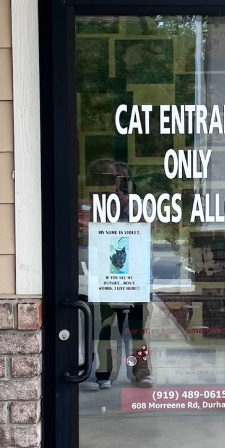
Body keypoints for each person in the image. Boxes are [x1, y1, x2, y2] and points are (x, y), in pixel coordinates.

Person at [81, 159, 153, 390]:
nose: (116, 184)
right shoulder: (87, 205)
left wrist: (126, 204)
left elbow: (151, 228)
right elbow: (83, 234)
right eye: (110, 178)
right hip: (103, 277)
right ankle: (104, 374)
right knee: (104, 327)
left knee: (137, 329)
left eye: (121, 179)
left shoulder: (135, 203)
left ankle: (140, 371)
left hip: (135, 277)